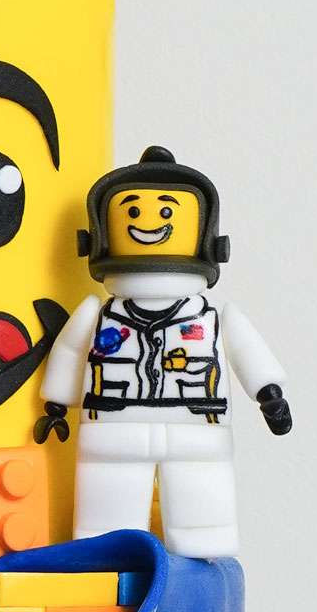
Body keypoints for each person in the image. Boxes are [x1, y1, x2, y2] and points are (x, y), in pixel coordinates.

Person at [35, 147, 293, 558]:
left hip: (196, 427)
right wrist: (56, 405)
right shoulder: (99, 315)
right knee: (108, 512)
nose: (148, 221)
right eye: (132, 211)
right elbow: (68, 352)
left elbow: (248, 351)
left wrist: (269, 393)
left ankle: (201, 546)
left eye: (168, 211)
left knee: (201, 505)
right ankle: (108, 549)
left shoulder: (213, 319)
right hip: (114, 430)